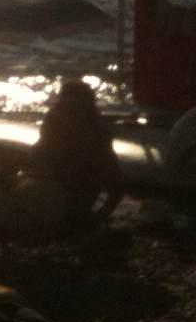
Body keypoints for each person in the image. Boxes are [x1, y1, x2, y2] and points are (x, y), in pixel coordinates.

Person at [28, 78, 124, 230]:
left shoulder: (98, 136)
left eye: (73, 109)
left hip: (75, 197)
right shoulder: (53, 124)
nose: (65, 114)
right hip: (51, 193)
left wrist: (99, 216)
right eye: (63, 108)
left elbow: (116, 185)